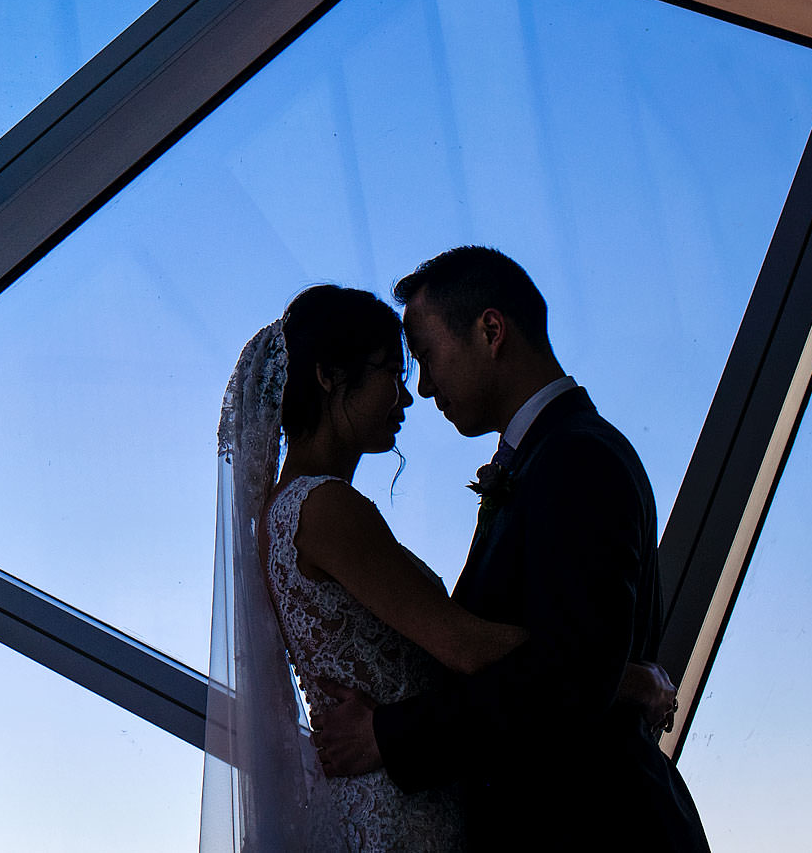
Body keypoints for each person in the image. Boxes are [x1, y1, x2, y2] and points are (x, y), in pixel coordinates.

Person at [205, 281, 677, 853]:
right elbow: (463, 646)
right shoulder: (325, 508)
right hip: (402, 813)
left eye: (418, 366)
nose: (411, 396)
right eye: (394, 372)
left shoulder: (279, 514)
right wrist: (628, 679)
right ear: (330, 376)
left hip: (387, 801)